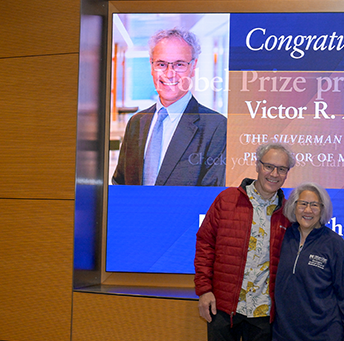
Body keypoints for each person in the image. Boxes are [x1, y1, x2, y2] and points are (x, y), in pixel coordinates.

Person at [194, 142, 296, 341]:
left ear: (286, 173)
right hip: (223, 308)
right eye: (269, 166)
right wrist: (204, 290)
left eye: (281, 169)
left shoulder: (288, 213)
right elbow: (205, 244)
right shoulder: (227, 200)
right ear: (257, 166)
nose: (274, 174)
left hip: (264, 314)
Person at [112, 28, 226, 186]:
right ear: (151, 66)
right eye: (161, 64)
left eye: (179, 64)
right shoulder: (136, 122)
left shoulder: (216, 126)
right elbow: (120, 184)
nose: (169, 73)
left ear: (193, 67)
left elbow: (212, 196)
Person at [273, 182, 344, 341]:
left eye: (314, 205)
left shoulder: (335, 244)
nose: (308, 210)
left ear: (322, 209)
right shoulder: (282, 237)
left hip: (324, 334)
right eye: (303, 204)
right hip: (284, 334)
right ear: (293, 206)